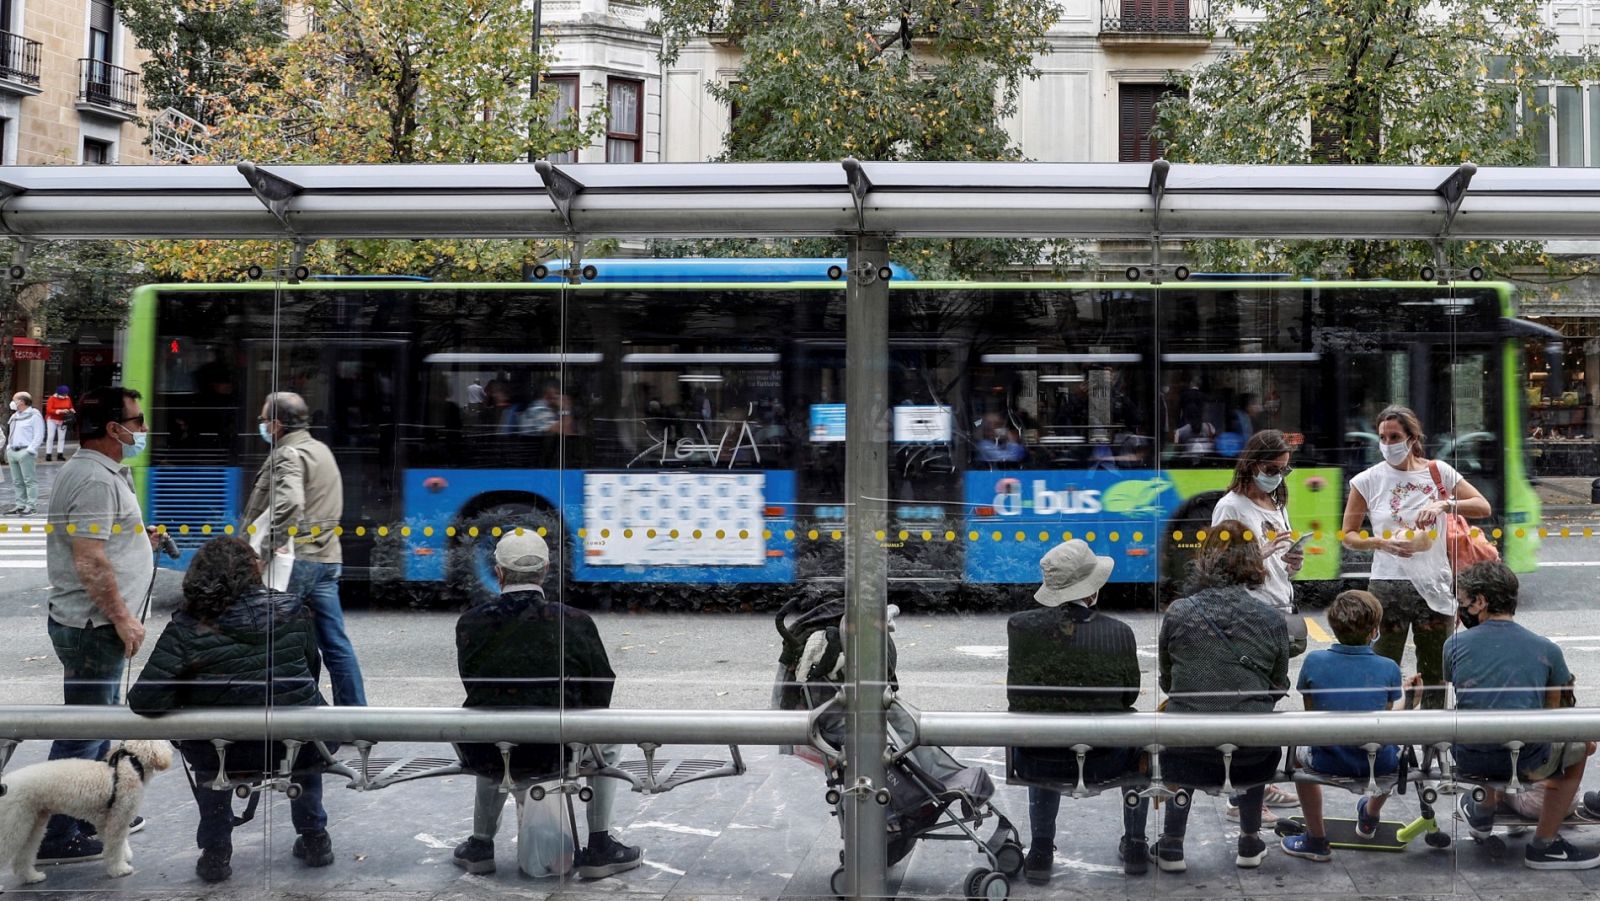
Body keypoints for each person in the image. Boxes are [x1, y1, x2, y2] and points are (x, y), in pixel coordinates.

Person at [128, 537, 334, 883]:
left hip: (223, 756)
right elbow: (310, 673)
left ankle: (216, 852)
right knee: (303, 731)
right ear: (252, 572)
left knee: (211, 755)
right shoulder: (293, 609)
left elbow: (146, 700)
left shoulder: (186, 627)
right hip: (292, 748)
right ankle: (315, 837)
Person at [452, 530, 643, 879]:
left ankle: (481, 844)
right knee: (608, 732)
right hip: (558, 753)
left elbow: (476, 685)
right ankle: (599, 844)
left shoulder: (470, 623)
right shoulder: (575, 621)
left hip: (490, 754)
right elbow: (601, 688)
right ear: (545, 571)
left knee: (489, 724)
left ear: (498, 572)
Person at [38, 386, 158, 864]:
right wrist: (124, 618)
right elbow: (89, 560)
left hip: (92, 624)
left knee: (96, 724)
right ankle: (53, 834)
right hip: (93, 627)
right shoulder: (93, 478)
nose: (143, 430)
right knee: (83, 731)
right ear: (114, 429)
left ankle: (93, 815)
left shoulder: (100, 473)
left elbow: (99, 541)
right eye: (138, 420)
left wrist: (136, 537)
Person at [1007, 540, 1151, 883]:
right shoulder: (1119, 633)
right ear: (1092, 589)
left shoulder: (1020, 626)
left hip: (1036, 759)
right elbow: (1128, 695)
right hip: (1106, 758)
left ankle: (1041, 849)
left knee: (1041, 729)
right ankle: (1135, 843)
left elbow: (1018, 696)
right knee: (1143, 742)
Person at [1447, 561, 1600, 869]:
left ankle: (1482, 813)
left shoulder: (1454, 644)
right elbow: (1559, 713)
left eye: (1461, 601)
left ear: (1480, 602)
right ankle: (1545, 845)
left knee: (1483, 717)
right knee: (1579, 746)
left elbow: (1463, 689)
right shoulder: (1546, 649)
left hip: (1469, 758)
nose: (1459, 609)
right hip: (1526, 761)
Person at [1156, 520, 1290, 872]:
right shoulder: (1271, 617)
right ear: (1253, 563)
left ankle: (1171, 844)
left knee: (1181, 729)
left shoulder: (1180, 612)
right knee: (1255, 731)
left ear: (1205, 559)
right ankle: (1249, 840)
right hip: (1252, 754)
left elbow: (1168, 683)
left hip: (1188, 750)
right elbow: (1277, 687)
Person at [1342, 404, 1491, 709]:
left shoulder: (1438, 472)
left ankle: (1432, 742)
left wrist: (1445, 505)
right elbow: (1348, 535)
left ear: (1411, 437)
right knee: (1384, 667)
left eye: (1394, 436)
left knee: (1435, 670)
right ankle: (1385, 740)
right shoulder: (1367, 480)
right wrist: (1380, 543)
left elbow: (1482, 506)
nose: (1387, 444)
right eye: (1382, 437)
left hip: (1434, 582)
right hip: (1388, 585)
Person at [242, 391, 366, 706]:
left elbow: (291, 502)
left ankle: (300, 716)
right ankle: (356, 718)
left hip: (296, 561)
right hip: (326, 558)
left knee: (281, 643)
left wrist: (265, 549)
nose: (261, 426)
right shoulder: (320, 450)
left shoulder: (287, 454)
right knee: (335, 645)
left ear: (277, 424)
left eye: (263, 420)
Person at [1211, 430, 1306, 821]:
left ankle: (1257, 785)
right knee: (1250, 705)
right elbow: (1216, 565)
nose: (1279, 477)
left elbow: (1277, 559)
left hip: (1278, 608)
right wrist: (1259, 554)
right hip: (1247, 615)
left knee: (1268, 700)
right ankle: (1241, 799)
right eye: (1272, 469)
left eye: (1285, 470)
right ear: (1252, 465)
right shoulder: (1229, 507)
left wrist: (1291, 562)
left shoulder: (1276, 502)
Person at [1280, 591, 1414, 862]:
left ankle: (1316, 839)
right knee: (1393, 751)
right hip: (1378, 765)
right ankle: (1370, 816)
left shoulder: (1313, 662)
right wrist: (1412, 701)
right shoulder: (1387, 667)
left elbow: (1313, 719)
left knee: (1295, 760)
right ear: (1374, 631)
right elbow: (1382, 724)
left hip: (1326, 761)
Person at [6, 391, 43, 515]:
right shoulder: (15, 416)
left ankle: (31, 506)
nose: (12, 402)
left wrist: (30, 450)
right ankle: (20, 505)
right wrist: (9, 448)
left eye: (14, 399)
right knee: (17, 481)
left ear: (21, 401)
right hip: (13, 451)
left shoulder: (34, 415)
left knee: (29, 480)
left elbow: (39, 435)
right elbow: (11, 433)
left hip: (25, 451)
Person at [44, 385, 73, 462]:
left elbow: (70, 406)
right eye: (63, 394)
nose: (65, 396)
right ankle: (48, 454)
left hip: (63, 419)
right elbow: (49, 410)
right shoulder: (52, 398)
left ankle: (60, 454)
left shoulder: (68, 398)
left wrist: (71, 410)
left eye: (66, 394)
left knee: (62, 437)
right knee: (50, 437)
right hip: (52, 419)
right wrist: (60, 411)